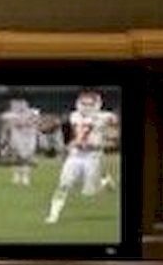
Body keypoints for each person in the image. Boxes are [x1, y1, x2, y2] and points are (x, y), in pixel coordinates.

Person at [45, 89, 117, 225]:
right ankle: (53, 215)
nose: (86, 107)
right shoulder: (74, 116)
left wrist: (108, 137)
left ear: (97, 104)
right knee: (63, 185)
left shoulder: (105, 116)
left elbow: (114, 129)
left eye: (90, 104)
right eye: (84, 104)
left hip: (93, 157)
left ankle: (104, 182)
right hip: (75, 156)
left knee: (89, 193)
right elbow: (71, 132)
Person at [0, 97, 42, 186]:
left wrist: (26, 122)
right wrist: (4, 138)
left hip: (30, 136)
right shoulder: (10, 115)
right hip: (18, 136)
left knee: (28, 155)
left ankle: (26, 176)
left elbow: (37, 122)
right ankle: (17, 175)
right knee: (18, 155)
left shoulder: (33, 112)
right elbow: (8, 125)